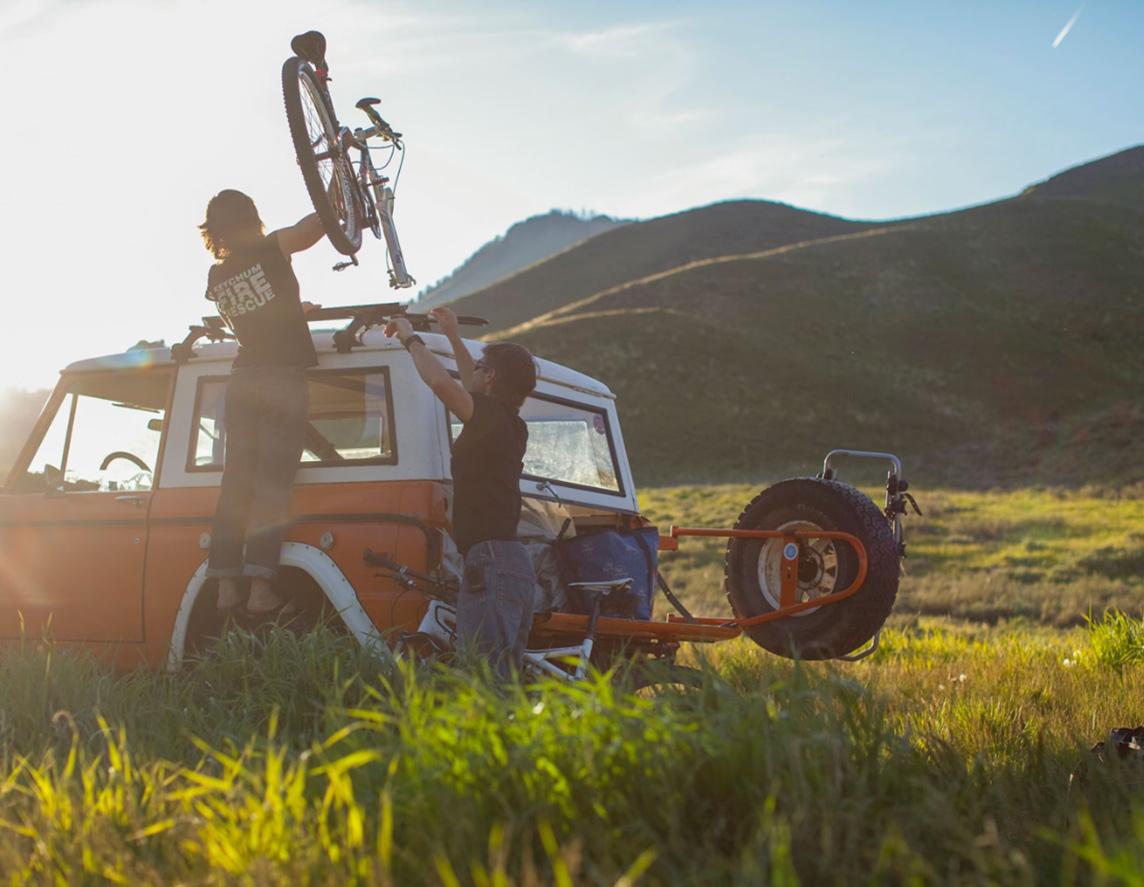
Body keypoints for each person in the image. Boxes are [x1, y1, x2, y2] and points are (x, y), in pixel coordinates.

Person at [385, 307, 538, 679]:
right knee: (502, 678)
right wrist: (452, 335)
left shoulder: (489, 416)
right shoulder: (509, 422)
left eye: (481, 366)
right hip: (513, 563)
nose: (473, 371)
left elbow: (442, 384)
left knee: (485, 679)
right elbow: (471, 380)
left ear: (491, 376)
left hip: (491, 562)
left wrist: (410, 338)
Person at [198, 189, 325, 619]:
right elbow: (309, 232)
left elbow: (256, 315)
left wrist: (294, 312)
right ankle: (259, 590)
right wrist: (338, 203)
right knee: (271, 487)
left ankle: (225, 586)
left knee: (235, 486)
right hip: (279, 378)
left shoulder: (217, 277)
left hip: (241, 380)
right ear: (252, 217)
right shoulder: (269, 250)